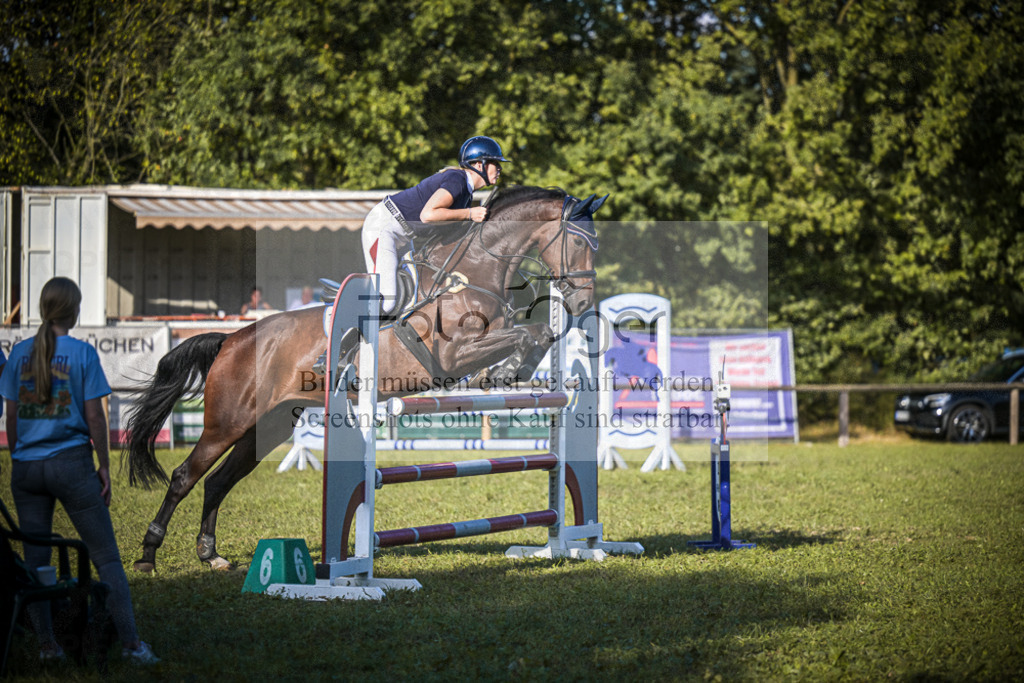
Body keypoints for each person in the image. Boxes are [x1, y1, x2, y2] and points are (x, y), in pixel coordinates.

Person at [0, 277, 159, 665]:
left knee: (37, 561)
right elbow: (95, 418)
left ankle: (47, 646)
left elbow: (12, 416)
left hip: (26, 469)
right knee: (106, 558)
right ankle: (133, 646)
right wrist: (103, 464)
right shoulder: (83, 354)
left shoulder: (19, 353)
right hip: (71, 465)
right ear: (74, 310)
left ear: (42, 308)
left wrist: (21, 459)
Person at [360, 135, 509, 315]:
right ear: (479, 165)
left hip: (403, 234)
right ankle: (348, 330)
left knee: (412, 296)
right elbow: (428, 215)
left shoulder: (466, 194)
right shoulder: (458, 180)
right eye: (495, 163)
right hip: (383, 227)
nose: (500, 168)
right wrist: (469, 214)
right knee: (388, 301)